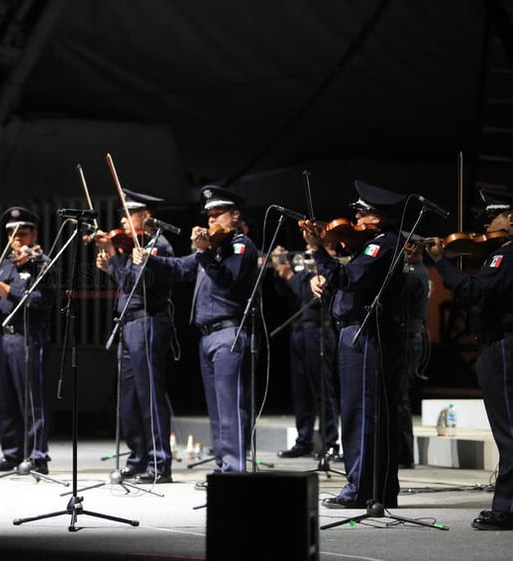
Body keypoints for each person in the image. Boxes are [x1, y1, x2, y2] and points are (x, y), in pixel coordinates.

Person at [134, 185, 259, 489]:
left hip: (231, 332)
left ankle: (234, 472)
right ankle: (223, 467)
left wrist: (204, 252)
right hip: (207, 335)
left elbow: (226, 279)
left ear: (235, 214)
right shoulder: (212, 248)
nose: (212, 220)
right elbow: (181, 268)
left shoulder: (240, 246)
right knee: (217, 409)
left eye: (218, 214)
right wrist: (150, 259)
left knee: (231, 407)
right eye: (209, 215)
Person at [301, 180, 407, 509]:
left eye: (363, 212)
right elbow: (351, 280)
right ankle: (380, 488)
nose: (356, 218)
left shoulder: (381, 245)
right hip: (359, 331)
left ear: (378, 217)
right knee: (368, 412)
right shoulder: (370, 245)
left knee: (360, 413)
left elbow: (351, 279)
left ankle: (361, 488)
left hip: (365, 335)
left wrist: (318, 250)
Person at [426, 188, 513, 530]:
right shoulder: (499, 255)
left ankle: (506, 508)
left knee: (507, 431)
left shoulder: (505, 257)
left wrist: (443, 263)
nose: (486, 224)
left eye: (492, 217)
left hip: (503, 348)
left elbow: (475, 292)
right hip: (502, 345)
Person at [93, 188, 176, 484]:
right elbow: (126, 284)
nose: (123, 221)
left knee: (149, 394)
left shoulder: (156, 247)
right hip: (129, 325)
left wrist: (114, 255)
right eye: (122, 215)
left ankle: (159, 462)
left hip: (148, 323)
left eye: (129, 215)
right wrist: (112, 264)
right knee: (129, 398)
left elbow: (136, 284)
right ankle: (137, 457)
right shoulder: (134, 247)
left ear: (146, 216)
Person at [0, 206, 54, 474]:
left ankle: (37, 455)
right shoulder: (6, 262)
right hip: (4, 338)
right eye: (11, 232)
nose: (16, 237)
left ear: (34, 233)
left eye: (23, 231)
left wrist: (8, 290)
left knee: (31, 398)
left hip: (28, 336)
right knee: (6, 399)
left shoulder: (42, 264)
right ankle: (11, 453)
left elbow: (40, 303)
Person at [270, 244, 341, 462]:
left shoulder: (330, 268)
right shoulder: (305, 269)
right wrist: (280, 270)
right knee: (300, 390)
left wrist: (290, 274)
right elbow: (285, 293)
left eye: (314, 245)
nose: (308, 249)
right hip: (298, 331)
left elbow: (307, 294)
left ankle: (330, 442)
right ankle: (304, 441)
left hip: (318, 331)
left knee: (322, 388)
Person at [397, 239, 431, 469]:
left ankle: (405, 454)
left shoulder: (416, 274)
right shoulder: (417, 271)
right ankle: (402, 452)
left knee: (400, 397)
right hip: (410, 336)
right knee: (398, 396)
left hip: (408, 337)